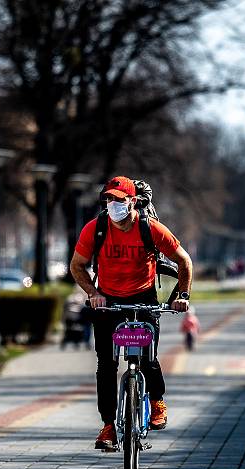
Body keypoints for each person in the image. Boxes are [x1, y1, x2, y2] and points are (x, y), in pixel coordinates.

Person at [69, 176, 192, 451]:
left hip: (143, 298)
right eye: (108, 200)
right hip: (107, 301)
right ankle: (109, 426)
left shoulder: (150, 229)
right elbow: (77, 265)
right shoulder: (96, 228)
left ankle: (157, 402)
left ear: (132, 201)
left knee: (148, 360)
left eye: (119, 199)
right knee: (106, 365)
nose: (113, 205)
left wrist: (182, 297)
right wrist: (93, 293)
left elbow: (184, 260)